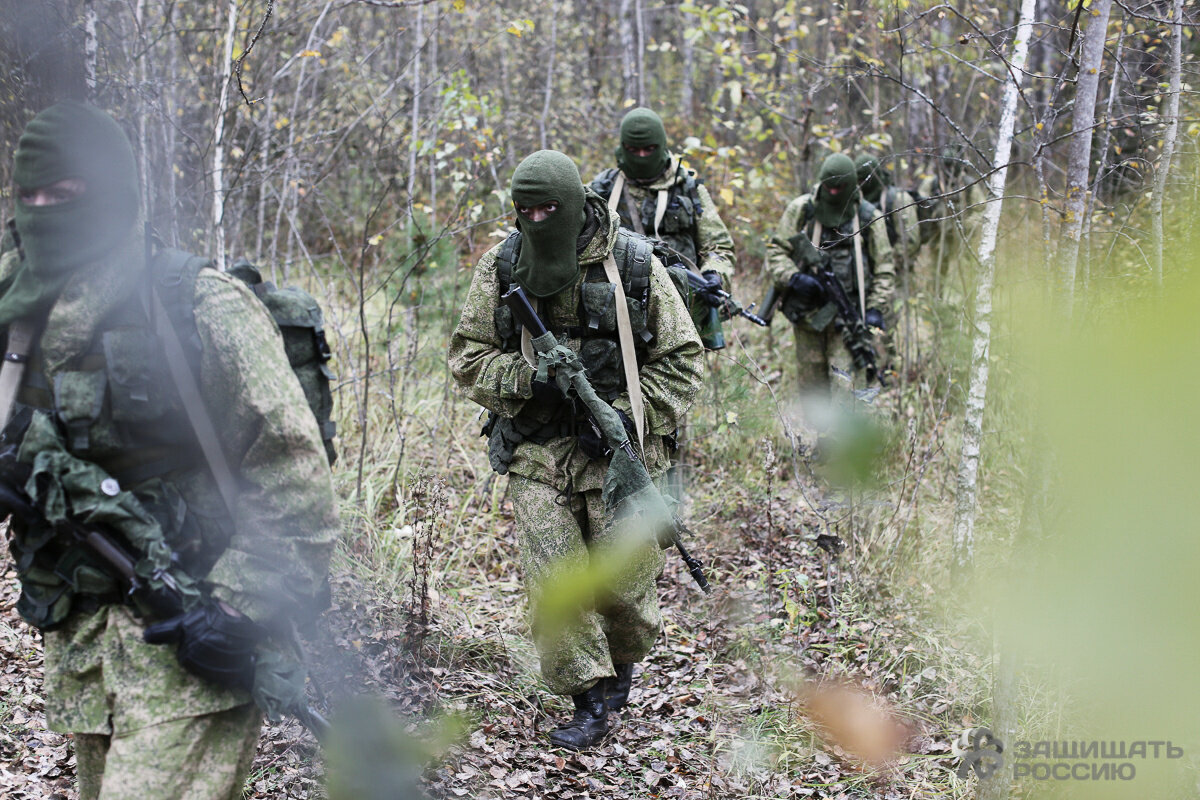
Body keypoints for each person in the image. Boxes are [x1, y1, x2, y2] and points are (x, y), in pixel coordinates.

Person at [0, 101, 337, 799]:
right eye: (27, 195)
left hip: (195, 631)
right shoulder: (14, 313)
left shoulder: (198, 303)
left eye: (62, 194)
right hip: (83, 644)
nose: (41, 212)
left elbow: (295, 470)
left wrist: (239, 608)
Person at [448, 150, 703, 750]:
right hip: (536, 452)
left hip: (620, 453)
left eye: (547, 209)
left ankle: (623, 662)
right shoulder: (502, 265)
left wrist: (627, 415)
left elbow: (683, 361)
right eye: (524, 210)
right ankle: (586, 699)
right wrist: (528, 379)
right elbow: (468, 357)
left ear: (574, 205)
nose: (535, 219)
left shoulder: (634, 265)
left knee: (624, 585)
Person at [588, 106, 737, 351]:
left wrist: (714, 276)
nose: (642, 156)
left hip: (681, 310)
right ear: (622, 148)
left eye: (649, 149)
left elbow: (718, 246)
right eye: (633, 150)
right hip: (619, 310)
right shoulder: (602, 189)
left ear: (662, 146)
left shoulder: (688, 188)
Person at [765, 153, 895, 401]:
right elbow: (776, 250)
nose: (833, 192)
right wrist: (793, 278)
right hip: (808, 317)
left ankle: (838, 438)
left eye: (840, 188)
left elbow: (885, 270)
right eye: (829, 187)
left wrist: (876, 308)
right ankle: (819, 438)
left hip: (847, 320)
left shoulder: (869, 217)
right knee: (812, 388)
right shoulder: (802, 209)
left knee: (843, 385)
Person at [854, 154, 921, 272]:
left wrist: (886, 265)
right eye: (858, 180)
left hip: (896, 273)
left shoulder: (898, 199)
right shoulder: (856, 200)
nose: (860, 184)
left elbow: (910, 241)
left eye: (863, 180)